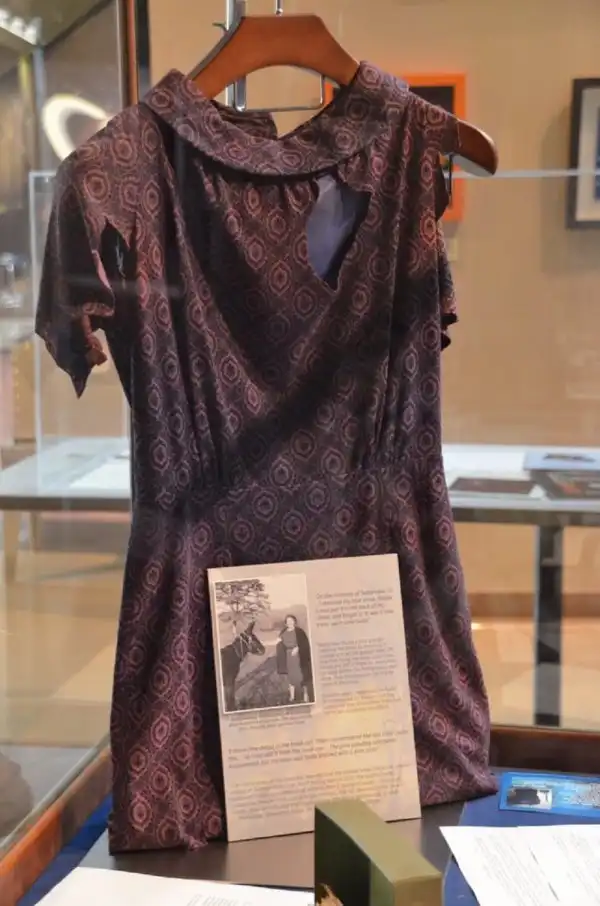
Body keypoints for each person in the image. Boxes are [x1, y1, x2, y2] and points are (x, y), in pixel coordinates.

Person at [276, 614, 313, 704]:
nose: (290, 622)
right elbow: (279, 643)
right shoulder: (283, 633)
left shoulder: (299, 632)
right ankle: (292, 697)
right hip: (288, 658)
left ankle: (305, 695)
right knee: (291, 677)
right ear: (285, 623)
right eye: (288, 621)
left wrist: (298, 648)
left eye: (291, 620)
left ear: (294, 621)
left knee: (302, 675)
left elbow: (305, 643)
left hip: (299, 657)